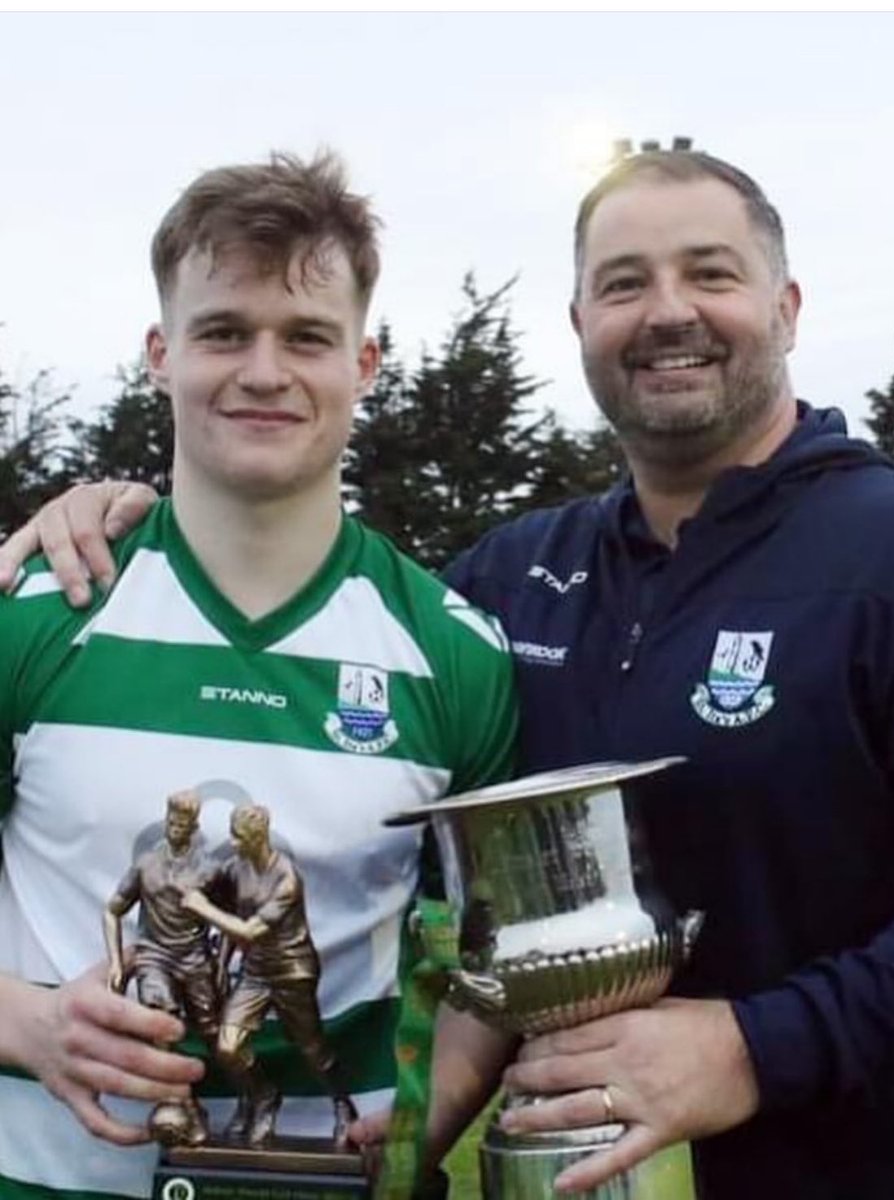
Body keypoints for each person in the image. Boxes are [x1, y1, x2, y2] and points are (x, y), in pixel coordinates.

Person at [8, 147, 894, 1200]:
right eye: (625, 282)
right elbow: (477, 936)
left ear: (787, 304)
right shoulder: (513, 591)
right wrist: (422, 1123)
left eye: (711, 273)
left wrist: (755, 1047)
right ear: (580, 320)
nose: (668, 311)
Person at [0, 151, 515, 1200]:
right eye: (225, 331)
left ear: (365, 363)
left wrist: (429, 1113)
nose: (265, 371)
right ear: (160, 352)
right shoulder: (34, 617)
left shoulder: (455, 651)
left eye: (308, 337)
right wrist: (33, 1025)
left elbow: (501, 957)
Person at [180, 802, 356, 1148]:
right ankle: (263, 1096)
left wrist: (202, 907)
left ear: (259, 837)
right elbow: (206, 890)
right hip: (255, 972)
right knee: (228, 1047)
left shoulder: (286, 879)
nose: (232, 843)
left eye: (239, 836)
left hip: (292, 969)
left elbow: (249, 929)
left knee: (311, 1047)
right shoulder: (235, 867)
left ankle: (342, 1103)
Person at [104, 789, 225, 1148]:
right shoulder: (146, 865)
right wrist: (115, 960)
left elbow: (233, 917)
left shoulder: (210, 869)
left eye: (182, 824)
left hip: (194, 956)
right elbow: (113, 910)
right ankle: (179, 1104)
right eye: (170, 822)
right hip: (154, 955)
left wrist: (220, 960)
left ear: (194, 827)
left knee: (211, 1030)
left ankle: (245, 1100)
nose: (174, 828)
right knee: (162, 1024)